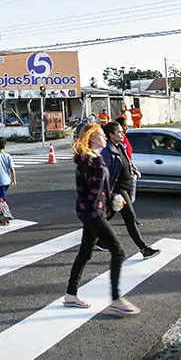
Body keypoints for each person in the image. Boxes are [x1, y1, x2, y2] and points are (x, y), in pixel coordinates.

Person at [64, 122, 139, 315]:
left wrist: (112, 198)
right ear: (92, 139)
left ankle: (71, 295)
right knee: (118, 252)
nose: (105, 137)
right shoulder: (90, 160)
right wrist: (111, 200)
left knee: (85, 252)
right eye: (101, 135)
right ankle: (116, 299)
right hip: (93, 213)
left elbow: (99, 189)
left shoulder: (93, 157)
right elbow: (94, 190)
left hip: (92, 212)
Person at [100, 122, 159, 257]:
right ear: (111, 135)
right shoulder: (107, 152)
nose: (122, 134)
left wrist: (133, 169)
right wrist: (112, 193)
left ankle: (96, 239)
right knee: (130, 218)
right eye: (119, 132)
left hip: (126, 187)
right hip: (119, 190)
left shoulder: (121, 146)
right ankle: (144, 249)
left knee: (106, 217)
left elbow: (126, 162)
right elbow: (104, 175)